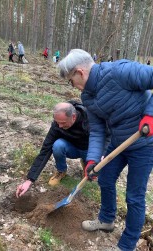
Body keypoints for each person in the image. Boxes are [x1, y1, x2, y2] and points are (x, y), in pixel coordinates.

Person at [57, 49, 153, 251]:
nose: (72, 85)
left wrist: (150, 115)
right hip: (118, 143)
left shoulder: (121, 71)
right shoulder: (88, 97)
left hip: (144, 144)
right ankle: (107, 220)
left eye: (70, 80)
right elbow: (98, 130)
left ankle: (127, 245)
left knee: (134, 196)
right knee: (106, 178)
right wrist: (92, 160)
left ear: (80, 73)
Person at [16, 100, 89, 198]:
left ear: (74, 117)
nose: (60, 126)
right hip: (71, 148)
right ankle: (61, 171)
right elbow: (45, 150)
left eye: (63, 123)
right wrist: (30, 180)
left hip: (89, 149)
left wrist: (98, 157)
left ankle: (86, 163)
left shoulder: (89, 119)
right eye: (57, 123)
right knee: (57, 145)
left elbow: (104, 139)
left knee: (91, 172)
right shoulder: (57, 125)